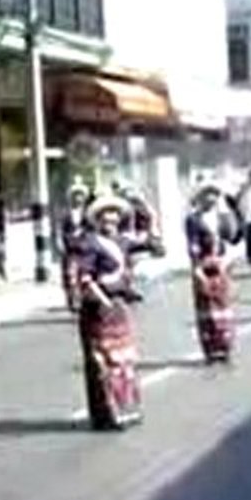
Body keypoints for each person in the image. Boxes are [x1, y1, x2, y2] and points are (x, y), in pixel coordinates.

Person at [77, 195, 163, 430]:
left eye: (114, 217)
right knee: (103, 363)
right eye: (105, 217)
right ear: (97, 220)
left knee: (124, 360)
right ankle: (106, 414)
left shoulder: (123, 241)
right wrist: (103, 301)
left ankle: (127, 408)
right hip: (98, 308)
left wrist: (150, 215)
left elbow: (157, 248)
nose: (110, 221)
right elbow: (85, 279)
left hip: (119, 305)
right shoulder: (90, 244)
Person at [186, 180, 237, 363]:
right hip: (203, 263)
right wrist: (197, 268)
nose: (211, 198)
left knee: (222, 303)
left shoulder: (222, 216)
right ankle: (211, 348)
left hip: (221, 263)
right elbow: (192, 244)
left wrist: (226, 213)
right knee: (206, 306)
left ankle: (225, 345)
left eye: (214, 194)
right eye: (207, 194)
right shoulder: (193, 219)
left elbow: (231, 235)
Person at [59, 178, 92, 313]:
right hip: (71, 249)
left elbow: (92, 229)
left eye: (80, 195)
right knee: (70, 275)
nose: (78, 198)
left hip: (85, 248)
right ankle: (72, 300)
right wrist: (64, 243)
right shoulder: (67, 214)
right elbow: (62, 231)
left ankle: (85, 299)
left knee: (85, 274)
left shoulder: (89, 213)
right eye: (76, 196)